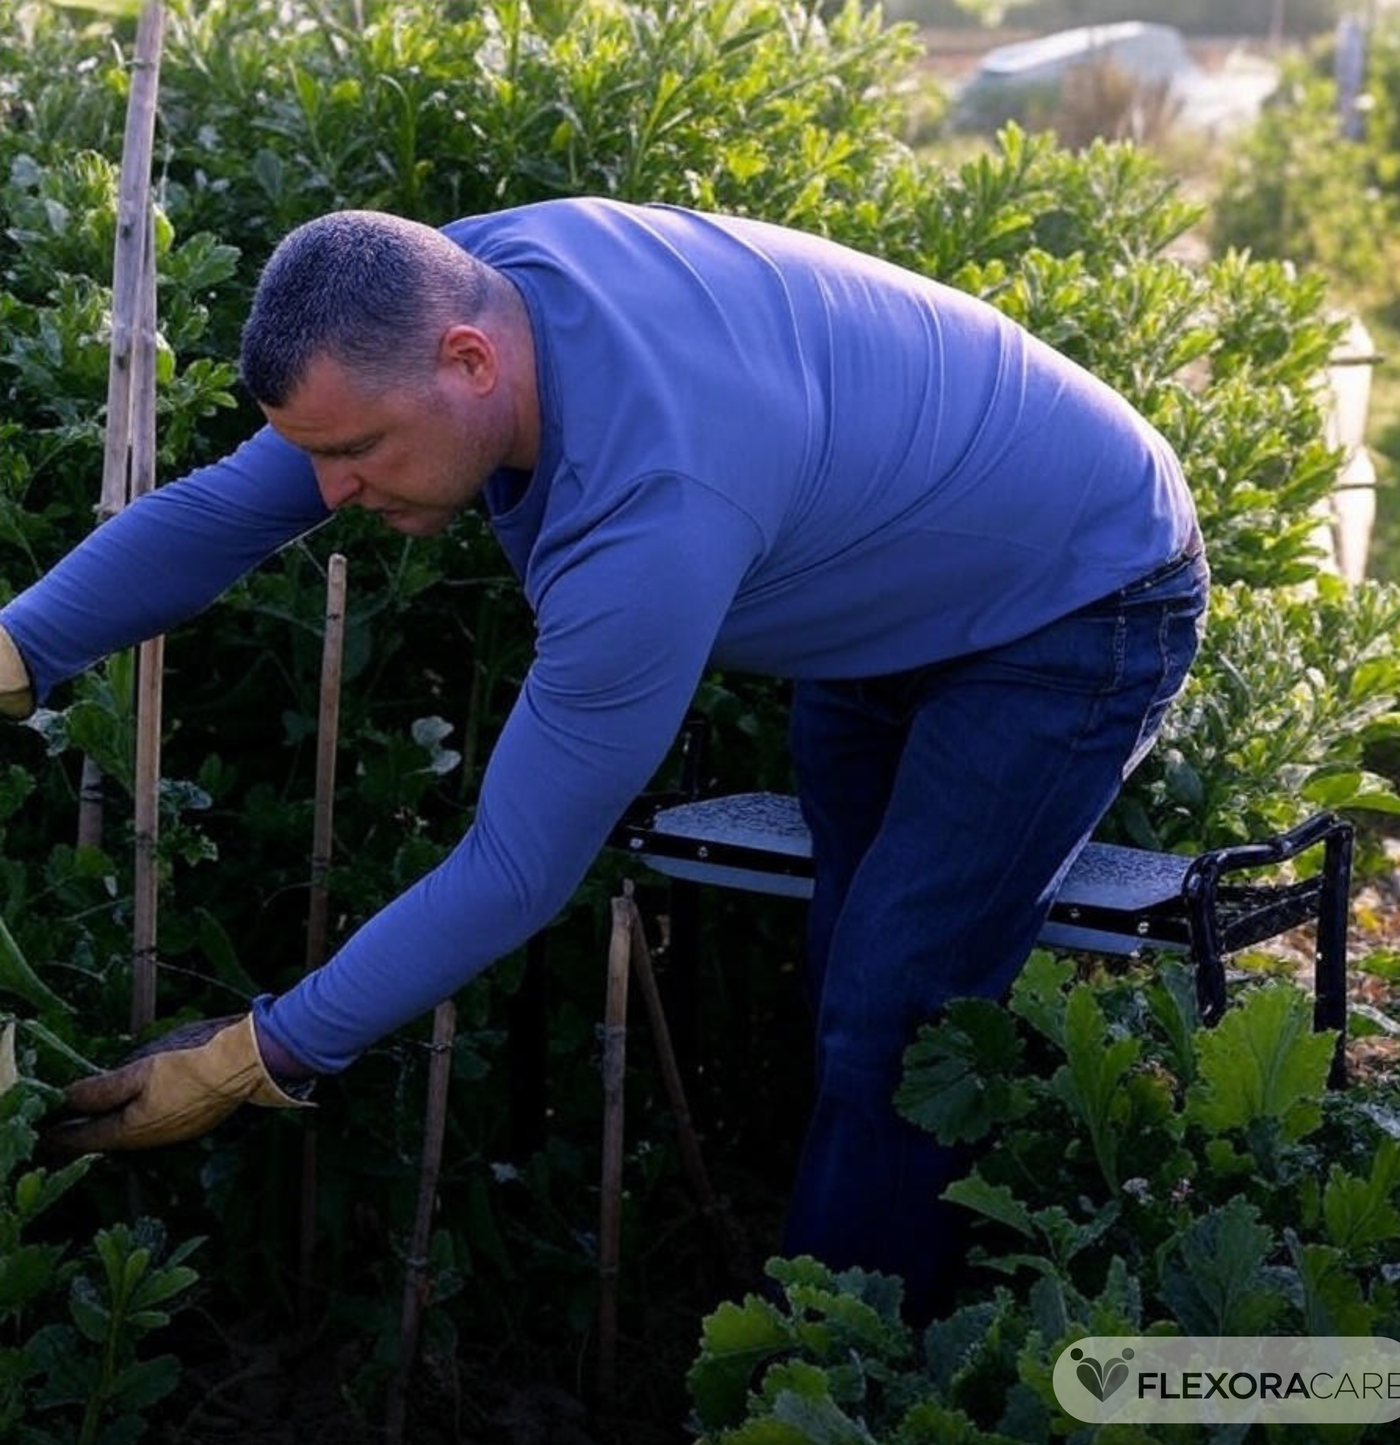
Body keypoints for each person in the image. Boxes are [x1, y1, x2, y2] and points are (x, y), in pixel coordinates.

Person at [0, 197, 1207, 1319]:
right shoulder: (455, 289)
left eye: (357, 449)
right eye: (316, 452)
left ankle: (838, 1376)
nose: (331, 489)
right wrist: (18, 652)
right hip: (894, 568)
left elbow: (517, 869)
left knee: (897, 1009)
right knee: (864, 980)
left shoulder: (648, 515)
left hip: (1076, 594)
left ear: (469, 361)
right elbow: (224, 509)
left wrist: (253, 1055)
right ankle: (882, 1271)